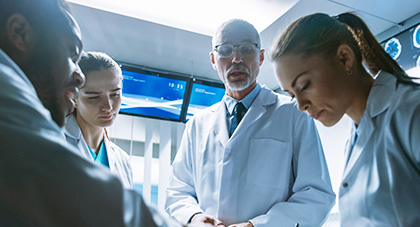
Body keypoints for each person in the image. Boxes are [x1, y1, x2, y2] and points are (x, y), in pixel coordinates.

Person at [0, 0, 183, 226]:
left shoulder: (121, 158)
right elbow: (107, 206)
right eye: (71, 53)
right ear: (19, 33)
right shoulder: (6, 93)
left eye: (115, 94)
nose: (77, 77)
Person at [165, 19, 335, 227]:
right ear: (213, 59)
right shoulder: (197, 124)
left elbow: (317, 195)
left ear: (261, 57)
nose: (236, 59)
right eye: (225, 50)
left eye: (246, 49)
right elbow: (177, 190)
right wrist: (194, 217)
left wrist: (258, 225)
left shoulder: (294, 114)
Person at [271, 12, 420, 226]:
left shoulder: (411, 111)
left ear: (345, 58)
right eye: (292, 95)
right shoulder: (355, 138)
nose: (301, 105)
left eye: (304, 85)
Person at [64, 51, 133, 189]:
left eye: (115, 94)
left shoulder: (122, 159)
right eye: (94, 97)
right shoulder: (55, 146)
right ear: (74, 97)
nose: (108, 106)